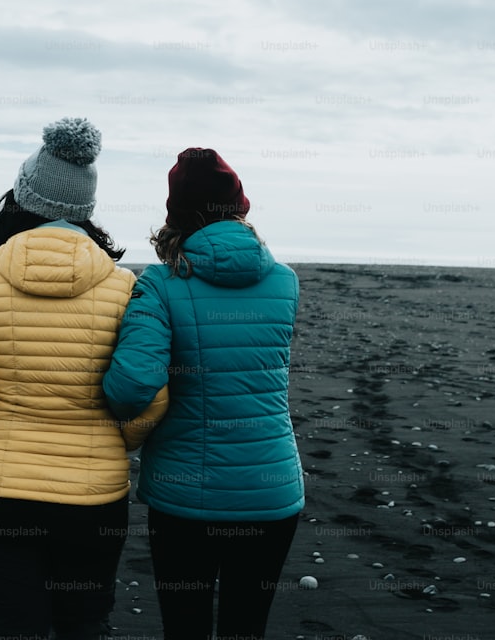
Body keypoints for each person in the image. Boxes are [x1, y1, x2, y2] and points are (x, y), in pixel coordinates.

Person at [0, 117, 166, 640]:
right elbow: (151, 396)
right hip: (94, 494)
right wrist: (115, 439)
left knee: (11, 625)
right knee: (84, 623)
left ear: (22, 198)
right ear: (86, 210)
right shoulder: (127, 287)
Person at [102, 147, 304, 640]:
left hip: (185, 493)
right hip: (272, 486)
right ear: (240, 208)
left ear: (176, 215)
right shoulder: (284, 281)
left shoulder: (161, 285)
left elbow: (131, 386)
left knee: (185, 627)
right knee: (245, 627)